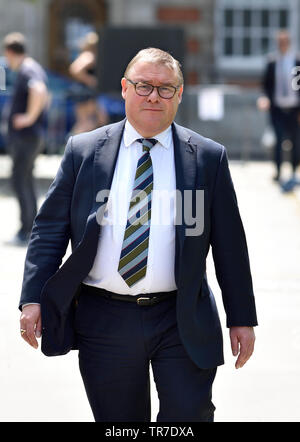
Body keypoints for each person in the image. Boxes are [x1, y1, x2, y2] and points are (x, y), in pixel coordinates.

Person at [19, 48, 257, 422]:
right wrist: (32, 297)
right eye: (144, 85)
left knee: (189, 414)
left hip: (180, 315)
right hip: (105, 317)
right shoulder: (84, 151)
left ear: (179, 95)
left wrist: (241, 317)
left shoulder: (207, 158)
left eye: (165, 89)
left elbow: (230, 245)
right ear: (125, 89)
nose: (153, 96)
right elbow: (49, 229)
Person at [3, 32, 49, 245]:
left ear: (10, 52)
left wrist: (29, 117)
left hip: (26, 138)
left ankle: (27, 228)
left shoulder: (28, 69)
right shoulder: (31, 68)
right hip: (28, 137)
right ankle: (30, 227)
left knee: (21, 180)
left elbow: (39, 90)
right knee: (25, 180)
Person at [259, 29, 300, 187]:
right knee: (278, 140)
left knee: (296, 141)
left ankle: (294, 171)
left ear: (288, 43)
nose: (282, 45)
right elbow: (265, 85)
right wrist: (264, 99)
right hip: (277, 109)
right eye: (279, 42)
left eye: (284, 42)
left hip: (294, 109)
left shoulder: (296, 61)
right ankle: (278, 171)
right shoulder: (272, 62)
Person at [69, 32, 108, 135]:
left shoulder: (88, 55)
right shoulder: (89, 55)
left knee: (97, 120)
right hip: (86, 94)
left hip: (87, 94)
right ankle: (72, 144)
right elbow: (75, 69)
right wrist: (90, 80)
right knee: (88, 122)